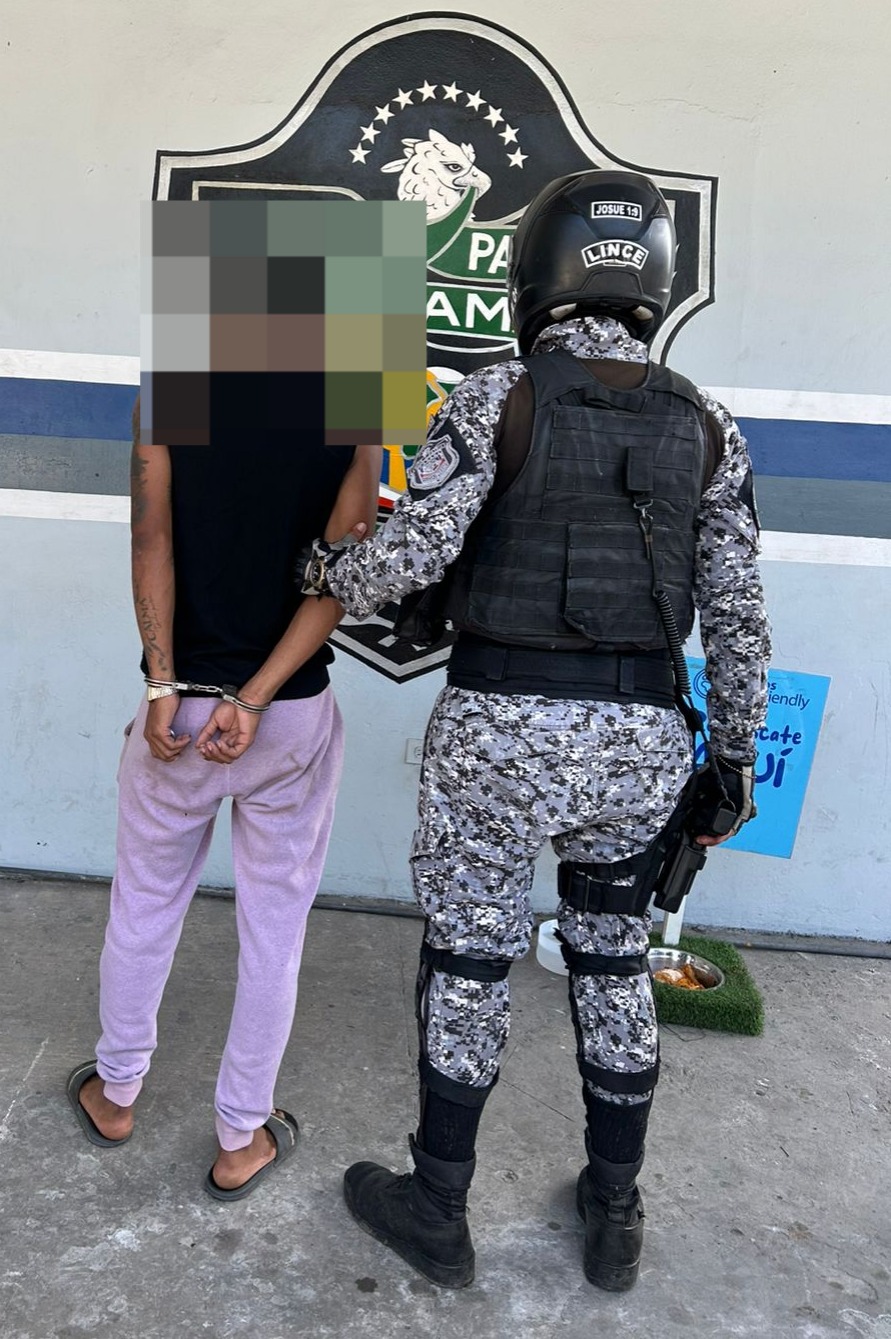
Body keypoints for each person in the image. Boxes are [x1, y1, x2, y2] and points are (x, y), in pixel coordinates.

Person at [298, 170, 771, 1289]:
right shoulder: (708, 423)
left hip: (498, 732)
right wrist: (732, 762)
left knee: (470, 955)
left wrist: (323, 570)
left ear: (540, 272)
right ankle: (615, 1211)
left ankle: (438, 1206)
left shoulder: (497, 394)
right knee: (611, 957)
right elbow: (740, 617)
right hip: (641, 743)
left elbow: (412, 555)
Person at [66, 393, 380, 1201]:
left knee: (143, 905)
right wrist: (256, 695)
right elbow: (345, 563)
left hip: (178, 709)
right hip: (288, 715)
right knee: (274, 929)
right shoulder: (357, 381)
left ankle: (116, 1093)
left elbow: (151, 537)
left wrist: (163, 680)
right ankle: (241, 1136)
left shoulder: (179, 371)